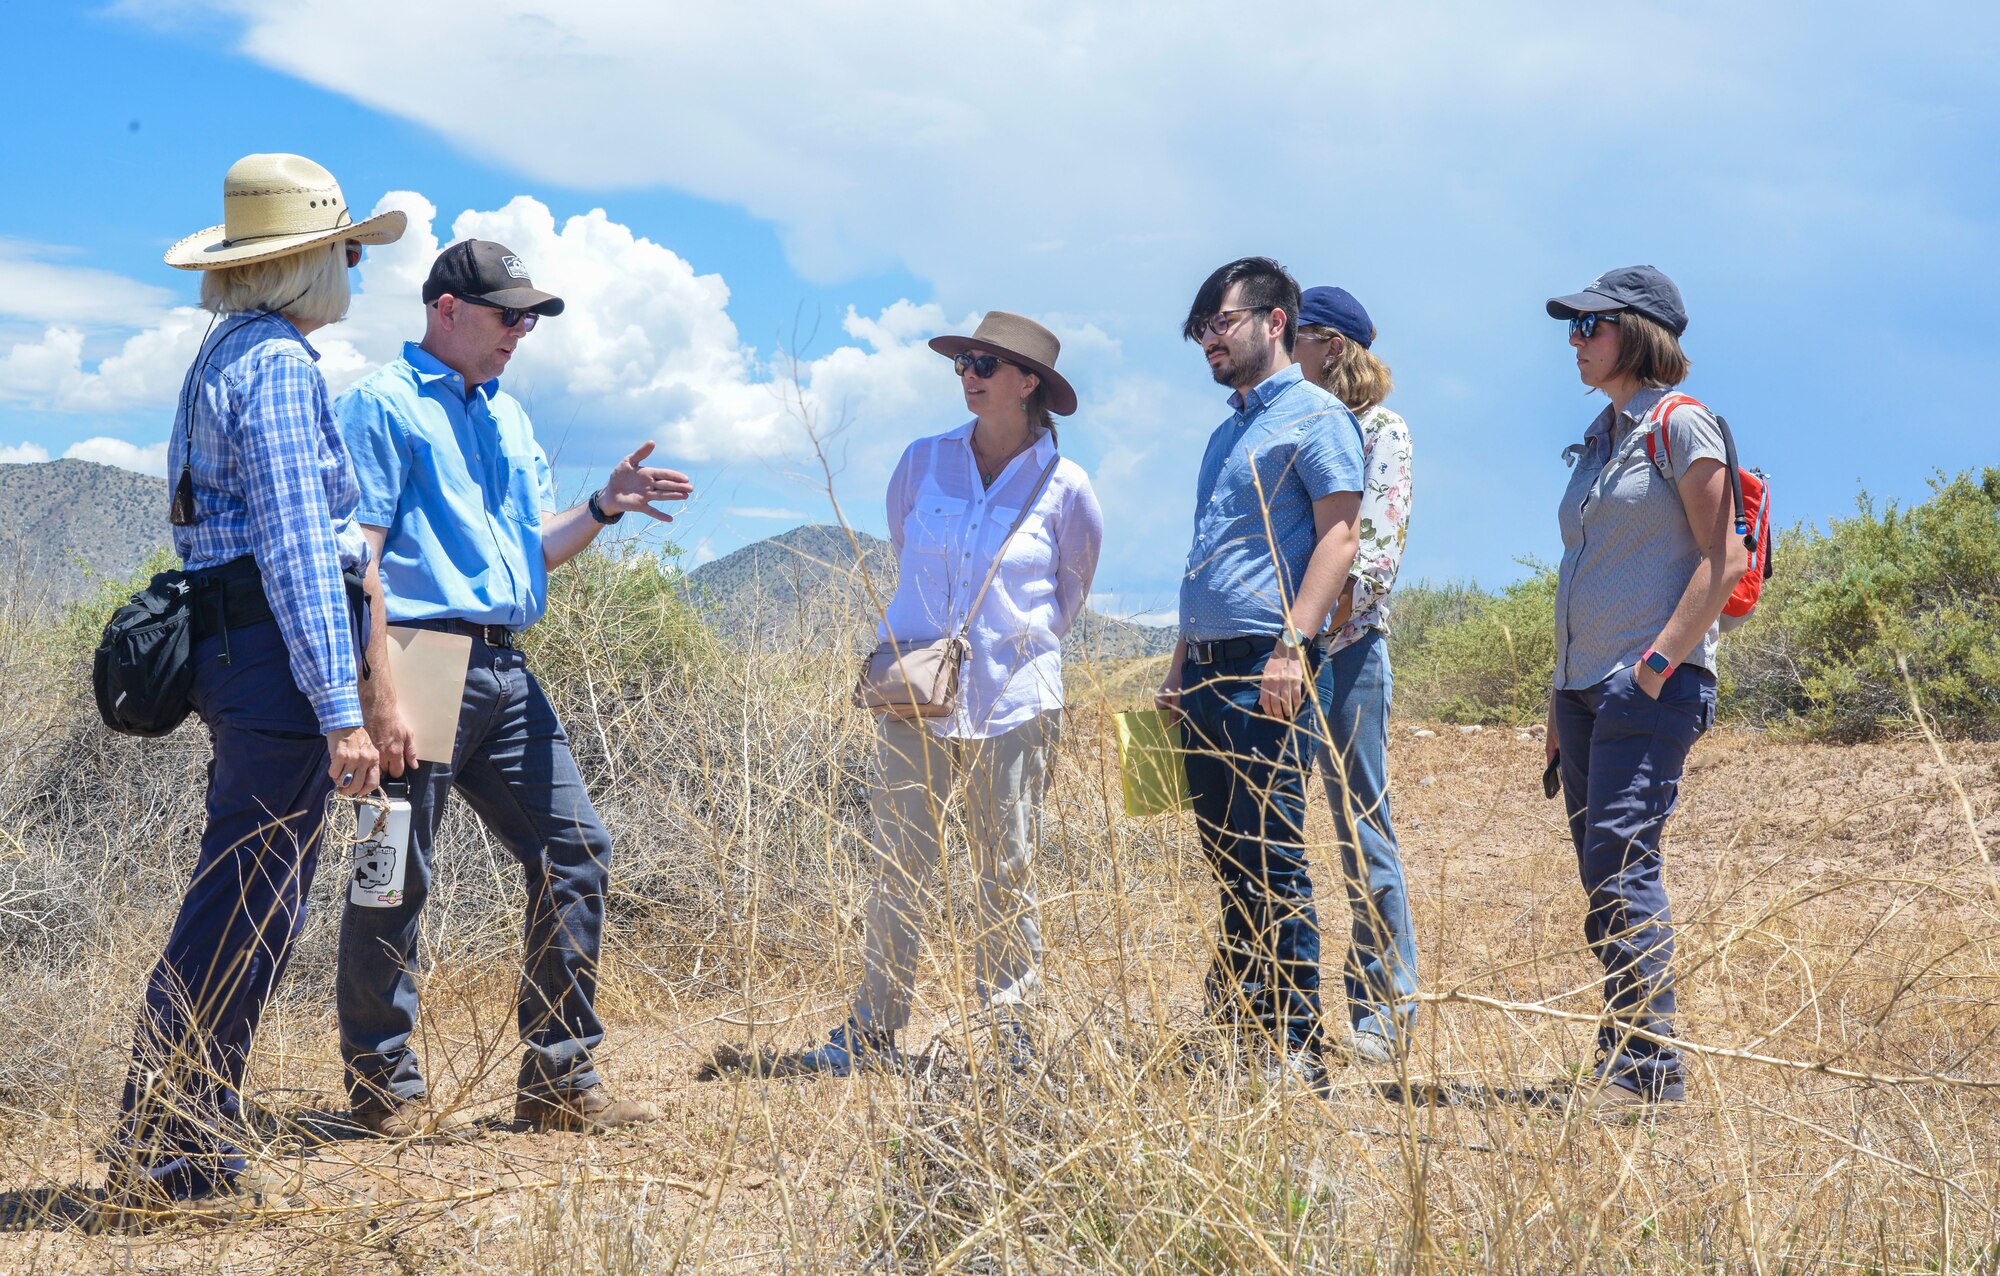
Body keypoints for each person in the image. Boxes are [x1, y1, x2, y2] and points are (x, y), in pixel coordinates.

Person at [332, 240, 693, 1135]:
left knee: (576, 847)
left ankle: (558, 1082)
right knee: (393, 870)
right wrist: (375, 696)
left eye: (529, 319)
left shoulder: (507, 418)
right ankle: (383, 1088)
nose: (520, 333)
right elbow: (358, 561)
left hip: (504, 662)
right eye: (507, 316)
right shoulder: (379, 406)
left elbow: (535, 549)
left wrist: (604, 507)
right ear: (446, 309)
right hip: (416, 654)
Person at [107, 153, 404, 1213]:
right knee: (246, 906)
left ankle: (182, 1141)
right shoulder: (277, 365)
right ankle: (172, 1152)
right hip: (273, 658)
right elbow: (293, 547)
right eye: (345, 253)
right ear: (307, 263)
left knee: (243, 900)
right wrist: (342, 707)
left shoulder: (222, 355)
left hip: (240, 654)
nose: (353, 272)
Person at [790, 312, 1102, 1074]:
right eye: (962, 362)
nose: (969, 375)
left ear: (1029, 383)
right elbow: (904, 546)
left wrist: (1003, 643)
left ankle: (1009, 1037)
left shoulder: (1066, 486)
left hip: (1018, 699)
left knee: (1009, 868)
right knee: (900, 863)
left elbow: (1070, 590)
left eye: (985, 364)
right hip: (917, 696)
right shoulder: (922, 462)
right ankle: (870, 1032)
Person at [1544, 266, 1749, 1115]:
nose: (1575, 342)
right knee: (1604, 875)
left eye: (1590, 327)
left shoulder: (1681, 425)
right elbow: (1581, 571)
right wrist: (1556, 701)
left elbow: (1724, 557)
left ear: (1637, 333)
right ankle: (1624, 1051)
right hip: (1585, 688)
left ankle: (1648, 1072)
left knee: (1622, 865)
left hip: (1648, 685)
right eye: (1574, 328)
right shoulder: (1601, 437)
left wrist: (1658, 663)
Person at [1157, 258, 1365, 1089]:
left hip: (1264, 667)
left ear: (1275, 321)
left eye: (1222, 322)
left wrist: (1291, 646)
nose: (1209, 339)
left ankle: (1297, 1048)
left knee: (1272, 853)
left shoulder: (1316, 417)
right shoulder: (1225, 431)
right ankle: (1247, 1029)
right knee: (1226, 856)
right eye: (1200, 329)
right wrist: (1176, 667)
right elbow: (1206, 556)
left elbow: (1340, 537)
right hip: (1205, 668)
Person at [1292, 286, 1419, 1066]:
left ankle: (1382, 1013)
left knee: (1360, 829)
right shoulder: (1298, 427)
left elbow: (1375, 553)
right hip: (1282, 650)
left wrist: (1317, 629)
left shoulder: (1382, 431)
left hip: (1346, 653)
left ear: (1331, 345)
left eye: (1297, 337)